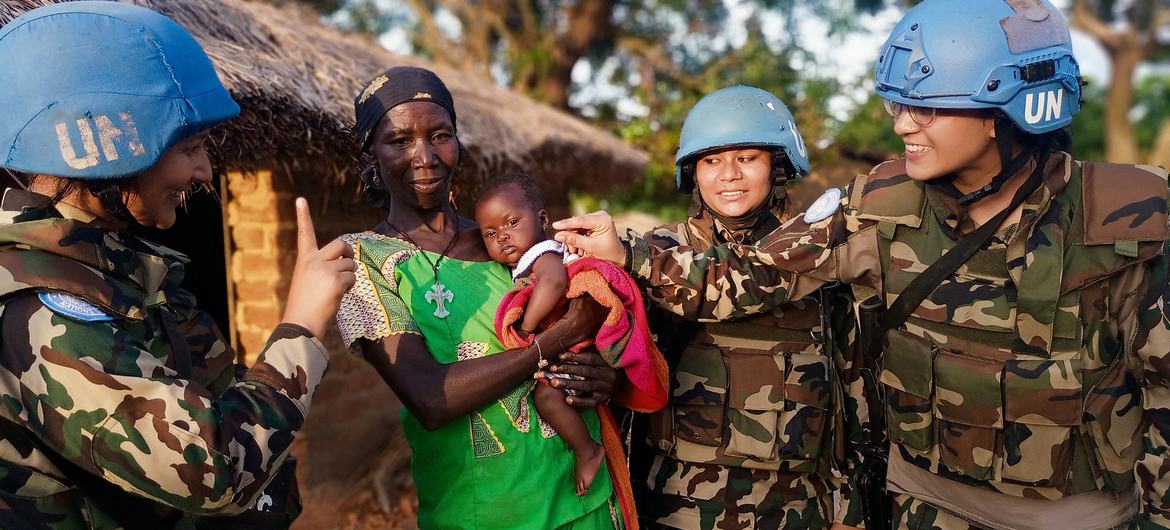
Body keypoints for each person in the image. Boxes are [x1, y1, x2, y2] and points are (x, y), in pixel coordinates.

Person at [554, 1, 1170, 529]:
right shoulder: (876, 205)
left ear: (999, 113)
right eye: (900, 105)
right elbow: (743, 281)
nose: (903, 124)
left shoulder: (1128, 215)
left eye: (926, 108)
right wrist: (627, 253)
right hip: (922, 506)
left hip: (1078, 515)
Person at [0, 2, 356, 529]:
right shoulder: (41, 312)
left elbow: (214, 393)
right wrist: (300, 328)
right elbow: (212, 472)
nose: (204, 171)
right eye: (189, 146)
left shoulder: (123, 270)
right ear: (111, 143)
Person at [335, 65, 624, 529]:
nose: (424, 155)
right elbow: (431, 398)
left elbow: (594, 322)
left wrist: (598, 377)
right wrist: (558, 337)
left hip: (583, 501)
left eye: (440, 135)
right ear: (370, 151)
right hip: (483, 512)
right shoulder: (365, 261)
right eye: (399, 140)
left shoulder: (509, 243)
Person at [622, 86, 864, 529]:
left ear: (778, 166)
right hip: (682, 509)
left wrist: (849, 507)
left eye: (747, 158)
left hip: (799, 509)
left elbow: (851, 388)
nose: (728, 174)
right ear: (693, 174)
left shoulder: (820, 258)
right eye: (711, 161)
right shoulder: (656, 256)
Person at [475, 172, 606, 496]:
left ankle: (587, 449)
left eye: (511, 222)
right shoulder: (527, 259)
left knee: (547, 398)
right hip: (565, 338)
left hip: (571, 335)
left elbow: (554, 284)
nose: (503, 236)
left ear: (542, 219)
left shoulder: (543, 253)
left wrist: (525, 328)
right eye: (491, 233)